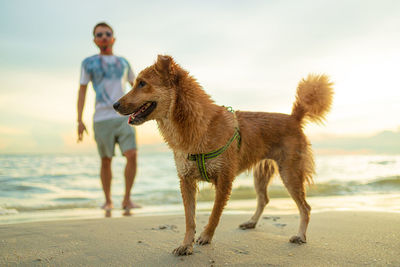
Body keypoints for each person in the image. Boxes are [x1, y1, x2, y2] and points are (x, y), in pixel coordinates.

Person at [77, 22, 140, 214]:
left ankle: (127, 199)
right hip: (101, 119)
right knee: (106, 160)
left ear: (113, 38)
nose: (103, 36)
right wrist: (79, 120)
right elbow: (82, 90)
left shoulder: (123, 62)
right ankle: (108, 201)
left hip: (124, 116)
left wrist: (142, 110)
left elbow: (137, 87)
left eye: (107, 33)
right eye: (99, 34)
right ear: (95, 40)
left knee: (132, 155)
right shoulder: (88, 63)